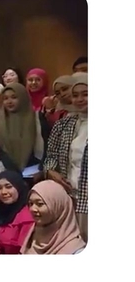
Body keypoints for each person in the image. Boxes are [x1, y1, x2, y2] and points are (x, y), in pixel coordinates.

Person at [41, 73, 88, 240]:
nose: (80, 99)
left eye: (86, 94)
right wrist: (50, 171)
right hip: (69, 195)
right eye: (75, 95)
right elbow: (51, 155)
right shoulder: (63, 124)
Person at [20, 180, 86, 255]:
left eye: (40, 204)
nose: (32, 209)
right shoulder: (32, 238)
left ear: (58, 207)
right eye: (31, 203)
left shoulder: (76, 251)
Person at [0, 83, 44, 177]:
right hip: (9, 172)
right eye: (5, 98)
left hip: (34, 172)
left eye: (14, 97)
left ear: (23, 98)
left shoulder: (36, 118)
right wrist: (14, 172)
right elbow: (2, 151)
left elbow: (45, 146)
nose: (9, 101)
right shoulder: (0, 122)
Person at [0, 171, 34, 254]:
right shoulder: (2, 211)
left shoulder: (27, 217)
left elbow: (24, 250)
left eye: (8, 187)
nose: (3, 192)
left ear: (18, 188)